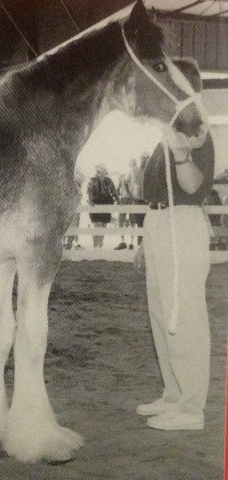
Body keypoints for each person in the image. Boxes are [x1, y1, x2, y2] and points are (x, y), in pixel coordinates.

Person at [134, 132, 214, 431]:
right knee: (161, 315)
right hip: (159, 221)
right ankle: (174, 396)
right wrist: (145, 240)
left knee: (184, 316)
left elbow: (193, 186)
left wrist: (182, 154)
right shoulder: (164, 134)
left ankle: (191, 408)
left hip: (182, 223)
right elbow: (157, 195)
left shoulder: (197, 133)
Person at [87, 164, 119, 248]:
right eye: (99, 172)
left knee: (103, 227)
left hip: (106, 205)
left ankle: (100, 247)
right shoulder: (92, 181)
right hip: (96, 205)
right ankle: (95, 246)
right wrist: (91, 202)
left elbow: (114, 192)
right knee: (98, 227)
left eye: (103, 172)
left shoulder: (108, 181)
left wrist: (119, 202)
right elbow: (89, 192)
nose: (101, 174)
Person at [126, 153, 148, 247]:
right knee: (139, 225)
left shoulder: (150, 171)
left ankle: (146, 247)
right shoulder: (134, 171)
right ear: (140, 159)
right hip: (137, 201)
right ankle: (139, 247)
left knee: (147, 225)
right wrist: (130, 193)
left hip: (148, 201)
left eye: (146, 158)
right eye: (143, 158)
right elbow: (125, 182)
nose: (144, 160)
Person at [114, 163, 134, 250]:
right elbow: (117, 190)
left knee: (121, 221)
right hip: (132, 199)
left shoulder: (123, 176)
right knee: (131, 221)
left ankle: (124, 242)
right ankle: (130, 243)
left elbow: (117, 190)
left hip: (125, 199)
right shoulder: (134, 174)